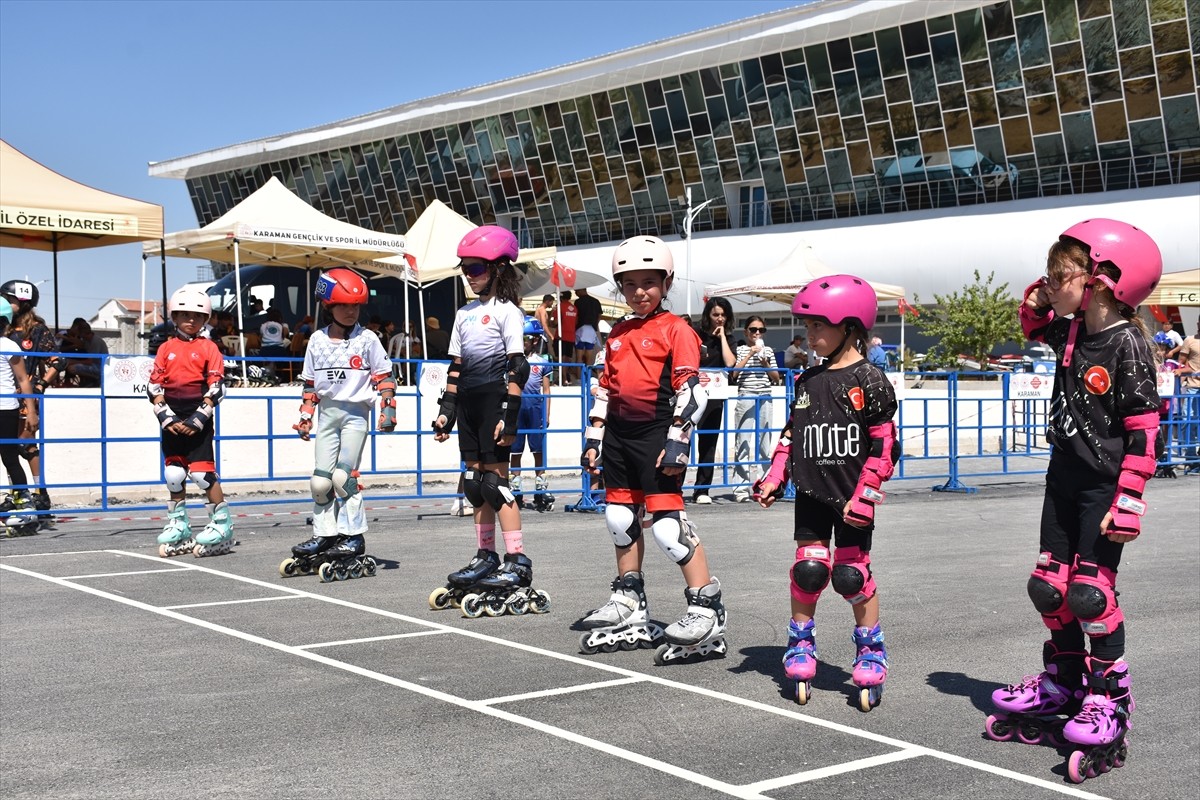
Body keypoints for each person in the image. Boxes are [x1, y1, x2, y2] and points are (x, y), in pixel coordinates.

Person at [988, 219, 1163, 781]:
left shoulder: (1127, 342)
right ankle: (1064, 680)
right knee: (1048, 586)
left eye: (1061, 273)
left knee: (1090, 594)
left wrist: (1130, 496)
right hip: (1061, 479)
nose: (1049, 281)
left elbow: (1144, 427)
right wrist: (1037, 296)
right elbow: (1030, 322)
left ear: (1104, 280)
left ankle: (1110, 699)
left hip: (1104, 489)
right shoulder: (1068, 333)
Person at [579, 235, 728, 663]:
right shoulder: (618, 333)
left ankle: (706, 606)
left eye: (648, 282)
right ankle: (628, 598)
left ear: (666, 282)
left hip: (658, 436)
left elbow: (692, 391)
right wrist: (594, 440)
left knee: (666, 526)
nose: (639, 291)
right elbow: (603, 391)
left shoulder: (676, 329)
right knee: (619, 517)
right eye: (629, 283)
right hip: (619, 438)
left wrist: (678, 440)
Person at [753, 274, 899, 711]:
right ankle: (800, 644)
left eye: (819, 326)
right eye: (808, 326)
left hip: (853, 496)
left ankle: (871, 650)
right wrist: (775, 476)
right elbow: (791, 436)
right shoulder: (808, 380)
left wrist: (867, 491)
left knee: (851, 575)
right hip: (814, 494)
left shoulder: (870, 380)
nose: (809, 335)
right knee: (809, 571)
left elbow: (886, 445)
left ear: (850, 326)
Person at [429, 225, 548, 616]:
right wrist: (446, 410)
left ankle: (517, 559)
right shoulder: (464, 314)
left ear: (498, 268)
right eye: (465, 267)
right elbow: (456, 367)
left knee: (497, 484)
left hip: (495, 404)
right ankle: (485, 555)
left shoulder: (508, 312)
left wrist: (509, 418)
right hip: (468, 406)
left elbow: (518, 367)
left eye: (477, 266)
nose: (469, 273)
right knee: (475, 485)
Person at [285, 268, 396, 581]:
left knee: (342, 478)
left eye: (356, 306)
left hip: (355, 414)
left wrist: (387, 410)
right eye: (344, 305)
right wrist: (306, 417)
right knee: (320, 482)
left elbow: (385, 377)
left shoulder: (367, 339)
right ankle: (326, 535)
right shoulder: (317, 341)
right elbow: (310, 385)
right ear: (327, 306)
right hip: (328, 415)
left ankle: (353, 537)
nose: (351, 311)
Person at [148, 287, 235, 558]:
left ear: (206, 318)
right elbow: (153, 385)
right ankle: (179, 524)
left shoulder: (209, 347)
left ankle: (223, 525)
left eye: (197, 316)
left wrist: (199, 417)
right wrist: (166, 416)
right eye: (184, 315)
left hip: (199, 417)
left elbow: (217, 387)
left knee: (202, 474)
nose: (190, 320)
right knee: (174, 474)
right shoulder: (165, 348)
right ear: (174, 316)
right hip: (172, 419)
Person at [0, 279, 56, 519]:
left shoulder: (38, 328)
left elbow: (56, 361)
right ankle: (16, 494)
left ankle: (39, 493)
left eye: (10, 300)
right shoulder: (6, 328)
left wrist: (40, 386)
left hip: (26, 395)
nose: (6, 303)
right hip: (9, 394)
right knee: (10, 451)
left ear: (23, 304)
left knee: (26, 445)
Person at [0, 297, 41, 535]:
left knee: (9, 456)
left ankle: (25, 506)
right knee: (9, 457)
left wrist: (31, 412)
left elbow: (23, 379)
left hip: (6, 407)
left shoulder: (9, 345)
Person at [690, 297, 735, 504]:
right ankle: (673, 488)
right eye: (716, 314)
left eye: (723, 315)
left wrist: (723, 337)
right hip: (691, 392)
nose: (720, 318)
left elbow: (730, 363)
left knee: (708, 444)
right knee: (682, 440)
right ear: (708, 315)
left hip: (715, 395)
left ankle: (702, 490)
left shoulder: (728, 337)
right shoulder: (695, 333)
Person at [730, 315, 780, 502]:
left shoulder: (768, 350)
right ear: (746, 332)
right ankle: (741, 489)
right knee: (743, 441)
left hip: (765, 396)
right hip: (746, 395)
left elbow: (776, 378)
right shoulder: (741, 349)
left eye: (761, 330)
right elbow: (734, 374)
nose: (757, 333)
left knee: (765, 444)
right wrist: (751, 354)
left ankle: (763, 486)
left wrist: (765, 362)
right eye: (753, 329)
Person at [509, 317, 555, 513]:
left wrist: (547, 414)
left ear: (535, 340)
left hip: (535, 409)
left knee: (538, 451)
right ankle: (515, 488)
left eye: (525, 339)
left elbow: (546, 390)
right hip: (516, 408)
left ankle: (541, 489)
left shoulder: (542, 362)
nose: (522, 342)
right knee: (515, 450)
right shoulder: (511, 361)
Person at [1174, 319, 1200, 472]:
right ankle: (1190, 457)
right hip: (1192, 387)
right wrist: (1181, 372)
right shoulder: (1189, 340)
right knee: (1187, 419)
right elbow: (1181, 363)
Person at [574, 287, 604, 371]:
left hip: (580, 329)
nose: (575, 293)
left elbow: (576, 317)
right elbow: (599, 316)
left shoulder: (578, 302)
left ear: (581, 290)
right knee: (589, 356)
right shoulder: (596, 301)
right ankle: (588, 377)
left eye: (576, 291)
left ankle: (579, 377)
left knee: (579, 356)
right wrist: (595, 325)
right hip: (591, 330)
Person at [557, 290, 578, 383]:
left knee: (561, 358)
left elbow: (555, 321)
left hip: (561, 336)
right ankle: (564, 378)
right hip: (571, 336)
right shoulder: (574, 308)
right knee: (568, 359)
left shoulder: (560, 306)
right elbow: (576, 322)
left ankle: (564, 378)